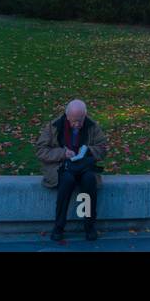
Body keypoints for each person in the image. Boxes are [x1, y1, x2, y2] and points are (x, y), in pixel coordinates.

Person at [35, 99, 108, 241]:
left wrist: (88, 150)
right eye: (74, 121)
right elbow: (41, 150)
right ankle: (59, 226)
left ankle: (89, 225)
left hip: (84, 166)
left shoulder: (92, 125)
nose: (77, 124)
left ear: (85, 115)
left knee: (89, 181)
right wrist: (62, 153)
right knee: (67, 181)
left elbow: (102, 148)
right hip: (62, 166)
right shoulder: (54, 126)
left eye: (80, 120)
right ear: (67, 116)